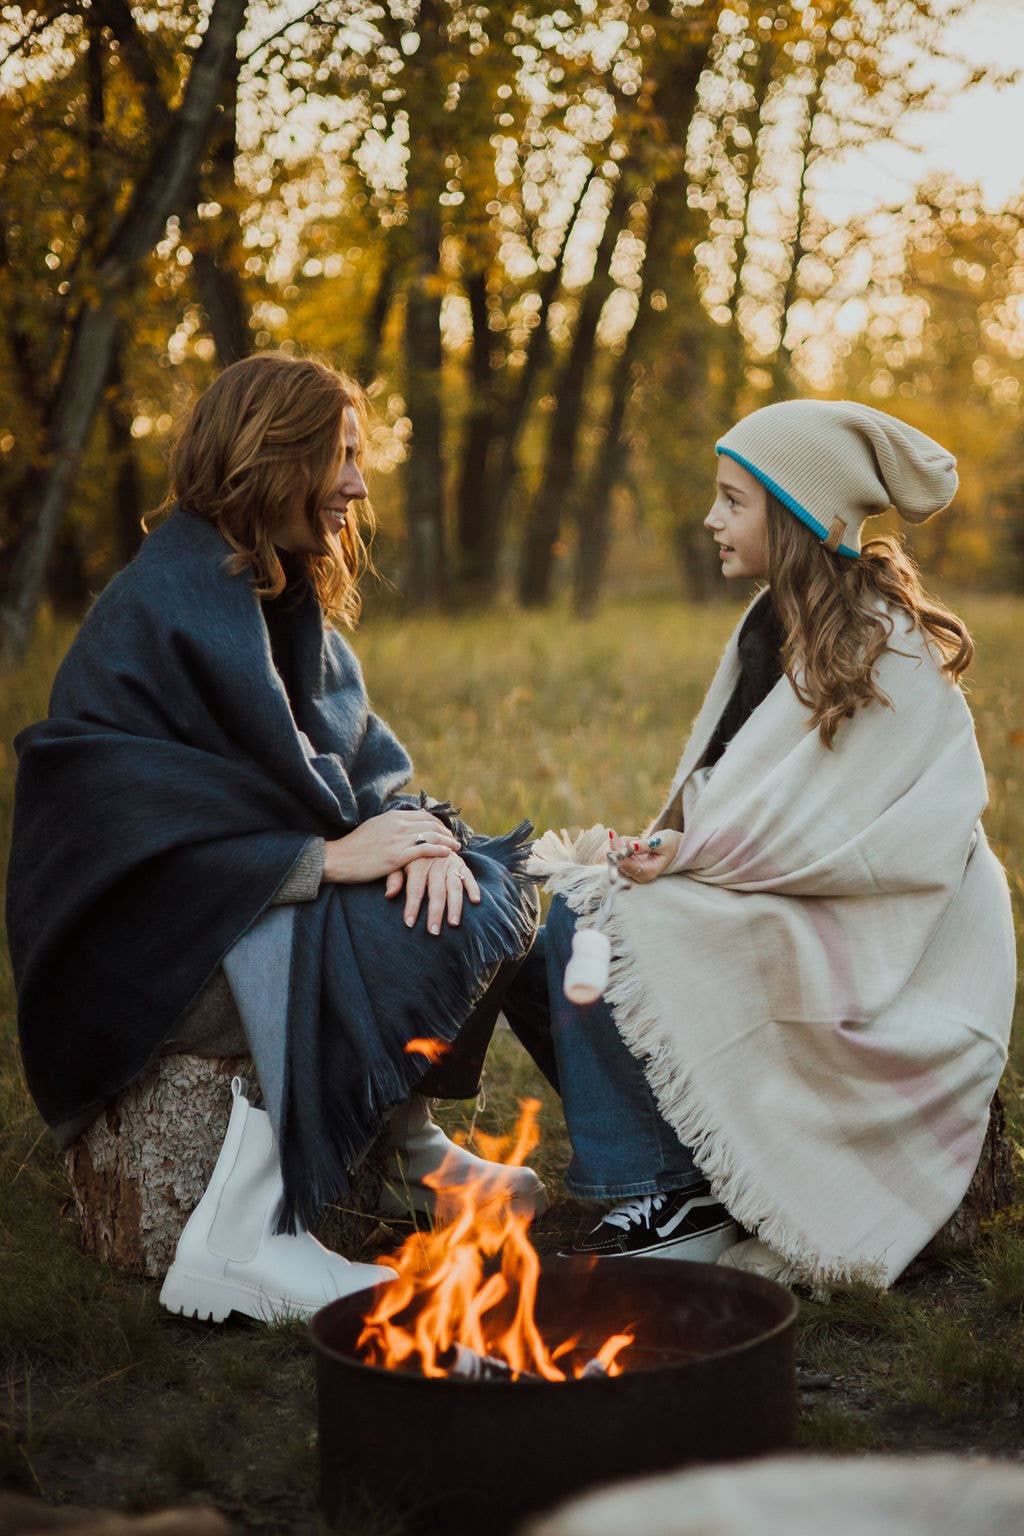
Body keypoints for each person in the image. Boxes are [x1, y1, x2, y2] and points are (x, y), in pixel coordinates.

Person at [6, 352, 544, 1324]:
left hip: (236, 916)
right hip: (147, 955)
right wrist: (320, 860)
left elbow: (360, 772)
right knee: (397, 920)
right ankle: (246, 1237)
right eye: (337, 456)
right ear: (269, 457)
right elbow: (106, 822)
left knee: (482, 882)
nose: (357, 483)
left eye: (357, 457)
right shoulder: (159, 610)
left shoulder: (283, 600)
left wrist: (420, 834)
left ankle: (404, 1137)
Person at [519, 399, 1016, 1289]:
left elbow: (852, 827)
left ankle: (673, 1195)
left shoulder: (884, 640)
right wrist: (670, 844)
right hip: (777, 888)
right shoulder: (765, 626)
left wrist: (693, 856)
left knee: (598, 928)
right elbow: (733, 784)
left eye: (733, 501)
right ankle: (681, 1168)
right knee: (548, 928)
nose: (711, 518)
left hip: (892, 924)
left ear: (795, 515)